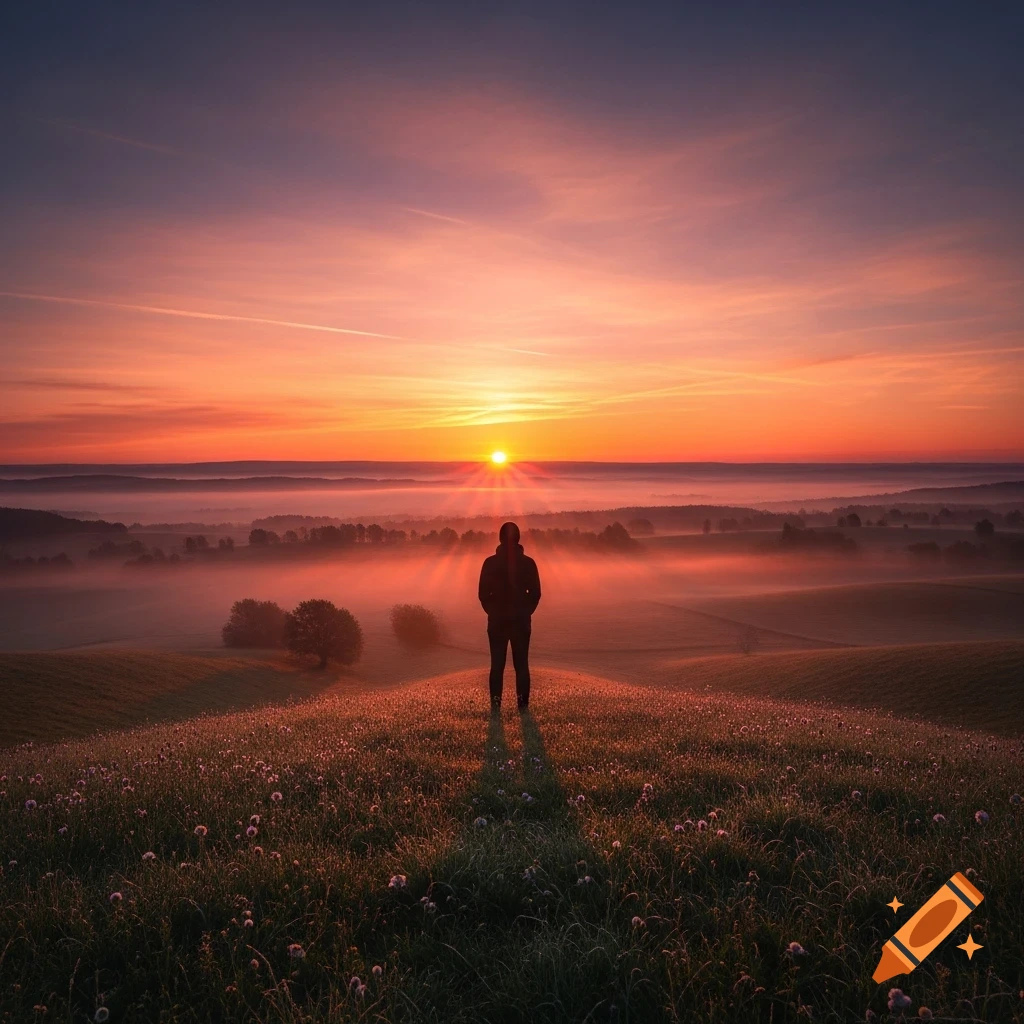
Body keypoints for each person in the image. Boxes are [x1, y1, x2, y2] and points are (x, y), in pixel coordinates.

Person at [478, 521, 541, 712]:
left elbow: (482, 594)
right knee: (522, 665)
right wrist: (525, 612)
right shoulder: (528, 563)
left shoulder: (490, 562)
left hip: (497, 621)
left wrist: (493, 612)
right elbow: (536, 594)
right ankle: (523, 707)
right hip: (521, 621)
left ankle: (496, 707)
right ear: (518, 539)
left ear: (499, 538)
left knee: (496, 665)